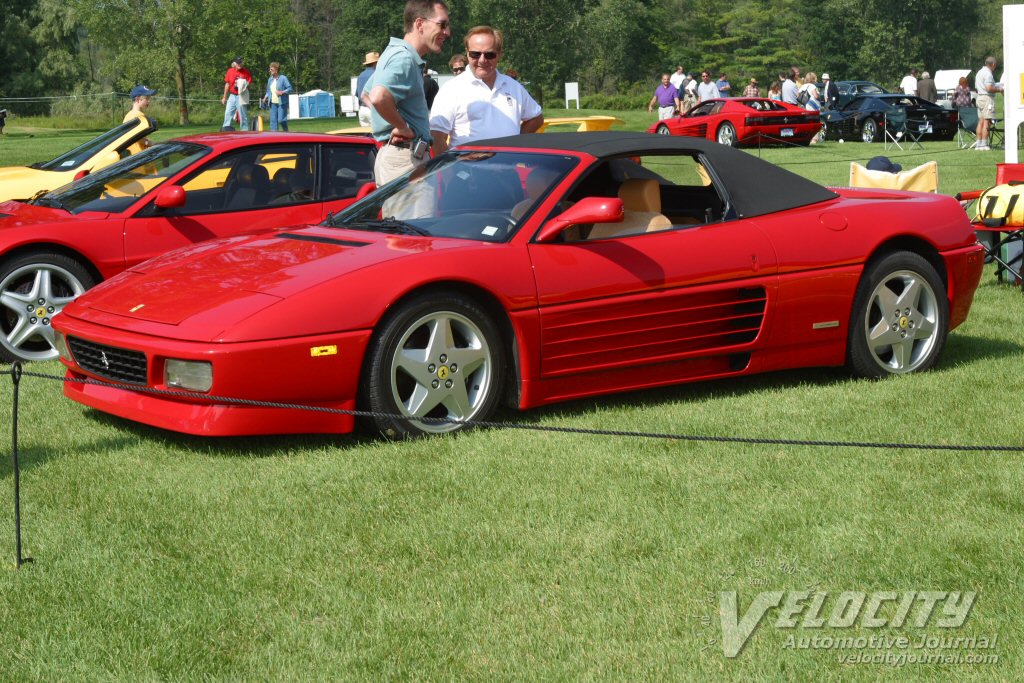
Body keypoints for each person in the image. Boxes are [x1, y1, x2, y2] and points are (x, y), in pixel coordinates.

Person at [363, 0, 451, 199]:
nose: (447, 32)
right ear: (420, 24)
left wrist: (390, 122)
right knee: (415, 227)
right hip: (405, 159)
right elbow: (377, 97)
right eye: (442, 24)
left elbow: (367, 94)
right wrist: (401, 127)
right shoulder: (404, 58)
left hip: (401, 157)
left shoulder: (395, 53)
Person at [429, 25, 543, 153]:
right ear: (467, 53)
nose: (482, 60)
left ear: (499, 54)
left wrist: (516, 143)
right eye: (475, 54)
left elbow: (536, 117)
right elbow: (436, 137)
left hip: (509, 169)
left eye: (489, 55)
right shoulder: (451, 89)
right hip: (468, 171)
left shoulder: (513, 86)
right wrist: (452, 169)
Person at [975, 56, 1004, 151]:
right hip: (987, 98)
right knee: (987, 121)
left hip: (979, 97)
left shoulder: (979, 72)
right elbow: (989, 88)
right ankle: (984, 144)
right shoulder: (988, 74)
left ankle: (978, 144)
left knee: (981, 121)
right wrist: (999, 89)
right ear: (993, 64)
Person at [221, 56, 253, 131]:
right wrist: (224, 97)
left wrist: (242, 84)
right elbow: (227, 84)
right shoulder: (230, 71)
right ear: (235, 63)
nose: (240, 65)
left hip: (241, 96)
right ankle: (225, 130)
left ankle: (244, 131)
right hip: (232, 96)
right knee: (228, 113)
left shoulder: (246, 72)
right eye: (238, 63)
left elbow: (249, 84)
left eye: (241, 63)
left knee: (243, 115)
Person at [123, 85, 156, 154]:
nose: (149, 101)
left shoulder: (129, 114)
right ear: (137, 99)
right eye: (146, 98)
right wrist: (149, 143)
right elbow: (134, 137)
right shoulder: (137, 116)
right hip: (138, 154)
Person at [262, 62, 292, 131]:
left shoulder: (283, 78)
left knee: (281, 120)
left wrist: (282, 92)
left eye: (271, 69)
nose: (270, 71)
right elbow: (268, 91)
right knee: (273, 122)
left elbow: (289, 88)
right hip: (272, 103)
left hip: (282, 103)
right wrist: (265, 97)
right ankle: (274, 138)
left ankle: (286, 132)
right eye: (270, 69)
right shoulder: (270, 79)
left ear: (276, 69)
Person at [356, 52, 379, 127]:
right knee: (377, 136)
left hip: (362, 110)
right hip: (371, 108)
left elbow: (357, 94)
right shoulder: (376, 74)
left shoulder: (360, 75)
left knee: (365, 137)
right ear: (375, 63)